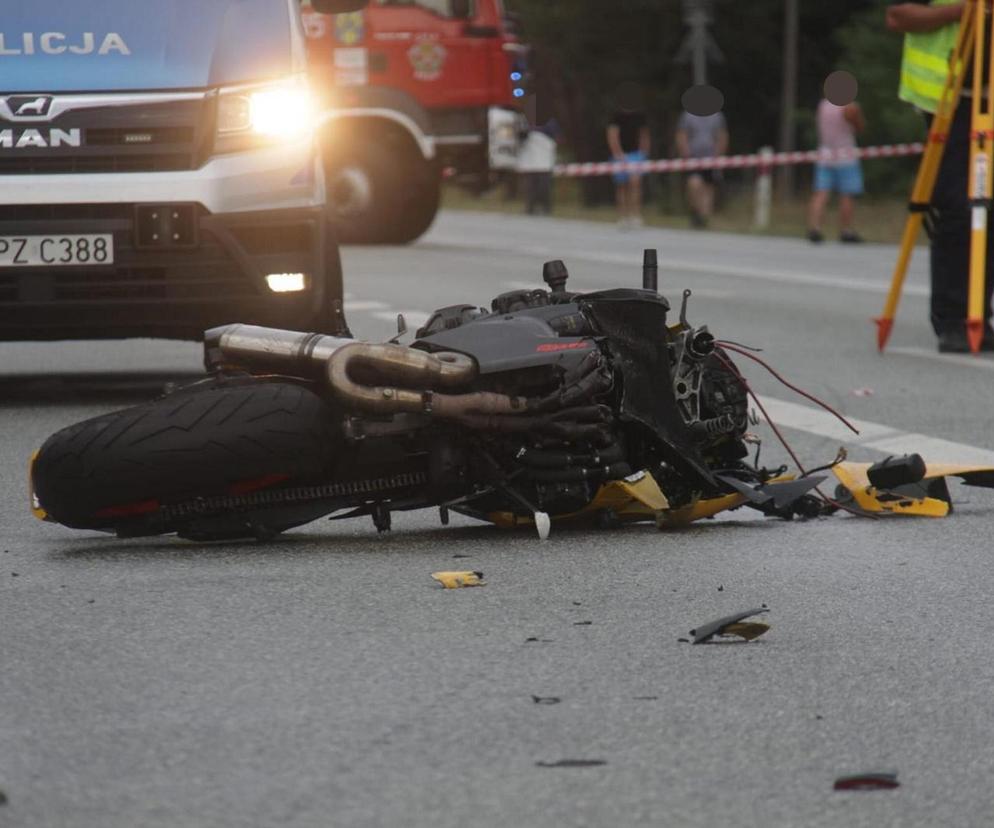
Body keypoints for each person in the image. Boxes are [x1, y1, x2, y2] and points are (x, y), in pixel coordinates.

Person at [888, 0, 994, 352]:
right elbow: (898, 16)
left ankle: (980, 315)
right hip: (949, 101)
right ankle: (952, 319)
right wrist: (963, 11)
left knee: (988, 211)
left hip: (989, 100)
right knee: (959, 207)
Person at [807, 94, 866, 243]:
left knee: (821, 193)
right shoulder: (849, 107)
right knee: (847, 194)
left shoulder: (823, 106)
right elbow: (860, 127)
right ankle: (845, 230)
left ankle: (815, 228)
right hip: (845, 156)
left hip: (825, 154)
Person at [675, 109, 729, 228]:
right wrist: (685, 153)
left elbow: (722, 136)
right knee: (693, 184)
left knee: (708, 188)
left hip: (711, 158)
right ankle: (696, 212)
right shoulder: (687, 115)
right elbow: (682, 135)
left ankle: (704, 219)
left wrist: (719, 155)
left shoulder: (717, 116)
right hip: (693, 158)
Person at [607, 83, 651, 229]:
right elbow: (612, 136)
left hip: (635, 155)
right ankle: (622, 216)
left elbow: (644, 135)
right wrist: (618, 154)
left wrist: (643, 153)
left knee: (635, 184)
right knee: (622, 186)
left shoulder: (640, 115)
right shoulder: (616, 116)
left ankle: (635, 215)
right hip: (620, 155)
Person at [517, 118, 560, 216]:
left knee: (543, 187)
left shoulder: (550, 123)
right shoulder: (524, 121)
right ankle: (530, 208)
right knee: (530, 187)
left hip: (544, 161)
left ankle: (546, 208)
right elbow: (520, 137)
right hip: (530, 161)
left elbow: (557, 138)